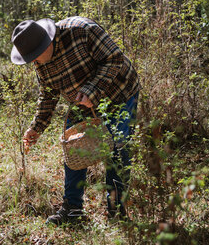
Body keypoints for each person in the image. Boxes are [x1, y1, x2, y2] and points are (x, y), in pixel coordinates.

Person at [10, 16, 140, 226]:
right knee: (73, 148)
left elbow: (114, 59)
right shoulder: (41, 63)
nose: (33, 62)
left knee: (118, 149)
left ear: (47, 43)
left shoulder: (81, 31)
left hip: (120, 93)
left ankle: (117, 212)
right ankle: (73, 210)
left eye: (34, 56)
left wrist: (92, 90)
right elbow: (48, 94)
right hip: (81, 103)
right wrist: (37, 127)